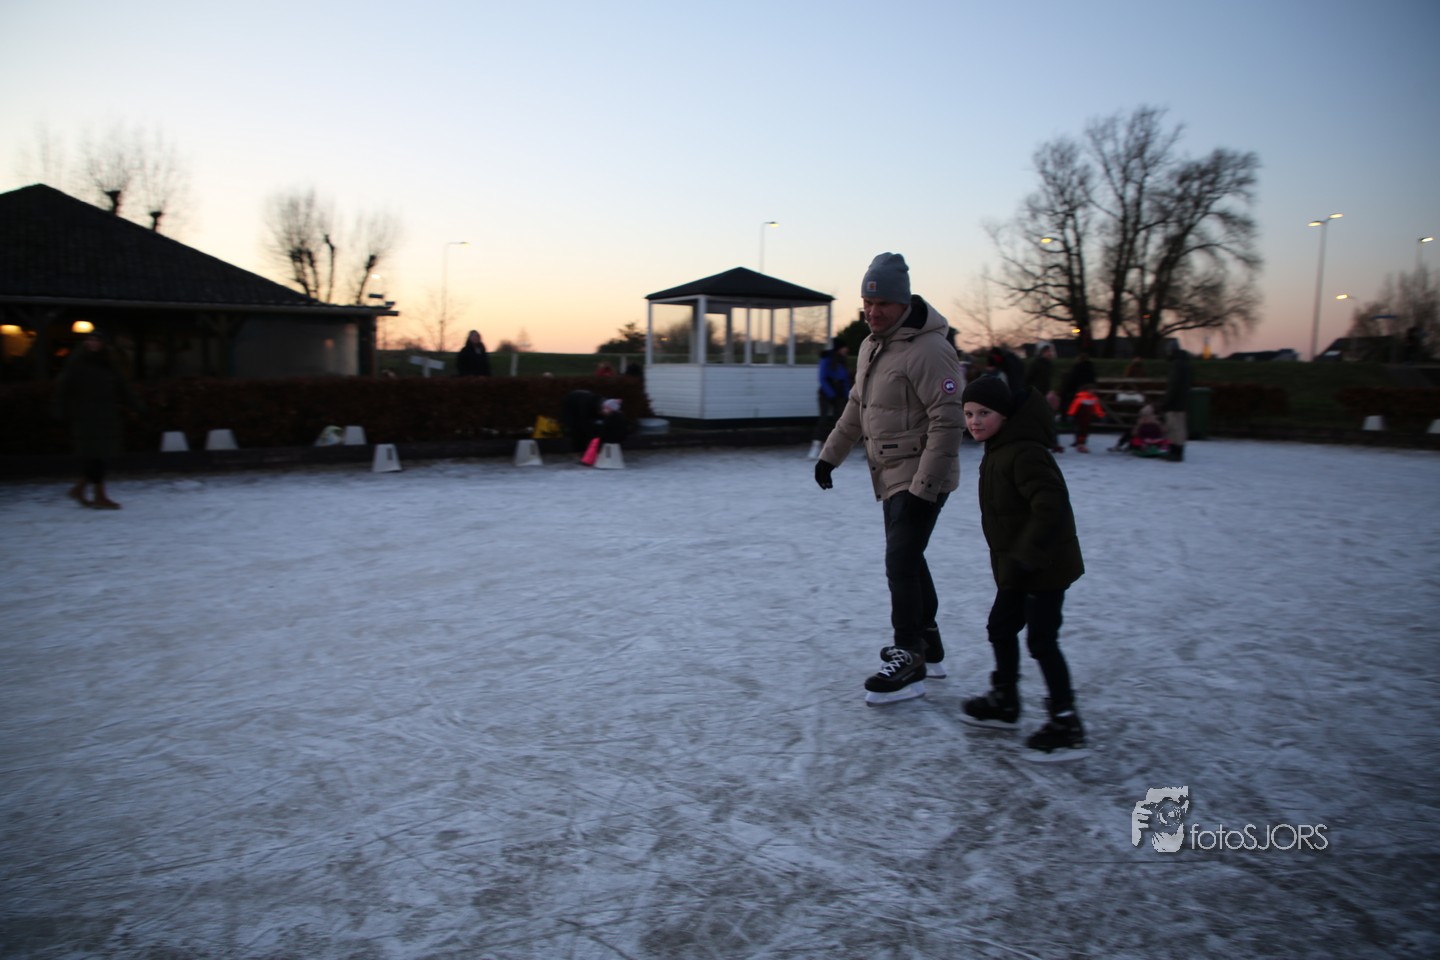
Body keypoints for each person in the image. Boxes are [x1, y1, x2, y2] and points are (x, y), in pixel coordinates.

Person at [814, 253, 964, 705]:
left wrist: (925, 487)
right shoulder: (872, 346)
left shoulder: (930, 350)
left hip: (921, 473)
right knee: (909, 559)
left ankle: (909, 654)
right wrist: (830, 457)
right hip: (889, 471)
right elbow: (856, 407)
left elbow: (948, 421)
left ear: (903, 303)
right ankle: (928, 643)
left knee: (900, 560)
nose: (872, 311)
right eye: (867, 302)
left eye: (881, 304)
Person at [957, 375, 1087, 760]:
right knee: (1001, 627)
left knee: (1042, 641)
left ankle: (1066, 722)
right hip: (1018, 565)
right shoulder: (1000, 449)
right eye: (969, 413)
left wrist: (1027, 555)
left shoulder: (1025, 452)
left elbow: (1051, 506)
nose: (975, 421)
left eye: (984, 413)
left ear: (1005, 415)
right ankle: (1005, 700)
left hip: (1044, 565)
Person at [51, 330, 144, 510]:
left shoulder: (109, 363)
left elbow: (123, 387)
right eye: (90, 340)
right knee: (95, 456)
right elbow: (63, 387)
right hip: (85, 416)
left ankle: (82, 490)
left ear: (103, 343)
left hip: (106, 416)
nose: (93, 343)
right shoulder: (77, 363)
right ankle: (96, 494)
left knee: (101, 455)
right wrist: (59, 410)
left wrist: (138, 406)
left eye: (96, 340)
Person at [810, 336, 851, 456]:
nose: (846, 350)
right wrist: (831, 394)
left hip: (839, 392)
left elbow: (845, 379)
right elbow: (822, 378)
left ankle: (835, 446)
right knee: (824, 419)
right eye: (844, 347)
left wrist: (847, 394)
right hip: (827, 392)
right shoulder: (826, 359)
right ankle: (816, 445)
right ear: (839, 348)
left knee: (839, 419)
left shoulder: (843, 360)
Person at [560, 389, 627, 455]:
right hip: (572, 407)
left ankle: (585, 450)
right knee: (577, 428)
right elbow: (584, 424)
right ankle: (579, 450)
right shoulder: (586, 405)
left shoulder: (601, 406)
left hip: (584, 408)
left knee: (590, 428)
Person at [1025, 341, 1064, 454]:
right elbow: (1028, 379)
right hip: (1038, 395)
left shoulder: (1049, 364)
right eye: (1047, 351)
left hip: (1046, 395)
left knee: (1049, 419)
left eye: (1050, 351)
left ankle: (1052, 442)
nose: (1049, 353)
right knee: (1041, 419)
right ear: (1042, 353)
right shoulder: (1037, 364)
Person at [1059, 351, 1098, 452]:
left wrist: (1066, 392)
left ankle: (1079, 441)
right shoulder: (1091, 368)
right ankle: (1082, 440)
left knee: (1079, 419)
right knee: (1086, 420)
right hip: (1090, 396)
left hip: (1080, 395)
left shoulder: (1077, 368)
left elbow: (1071, 381)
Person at [1162, 343, 1192, 461]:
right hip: (1182, 401)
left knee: (1175, 428)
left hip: (1175, 403)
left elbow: (1173, 386)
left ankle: (1176, 452)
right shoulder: (1185, 364)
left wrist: (1166, 402)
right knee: (1179, 427)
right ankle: (1177, 451)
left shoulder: (1177, 365)